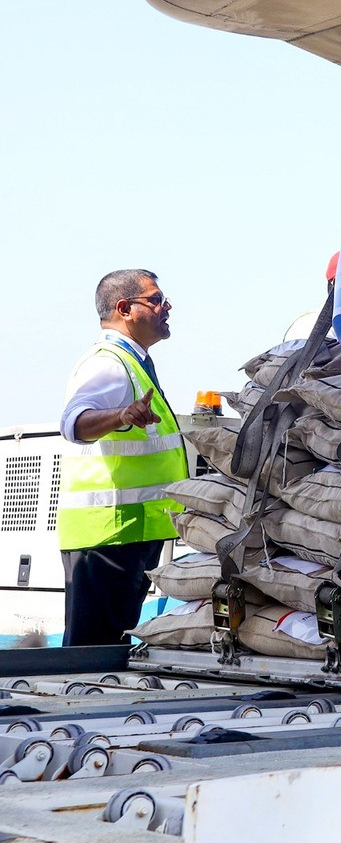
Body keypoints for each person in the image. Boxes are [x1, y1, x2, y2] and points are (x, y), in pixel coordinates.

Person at [56, 269, 186, 646]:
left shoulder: (133, 361)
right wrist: (121, 415)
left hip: (128, 532)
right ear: (125, 309)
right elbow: (74, 422)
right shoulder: (109, 363)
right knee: (92, 649)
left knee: (108, 646)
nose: (167, 307)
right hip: (108, 534)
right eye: (156, 300)